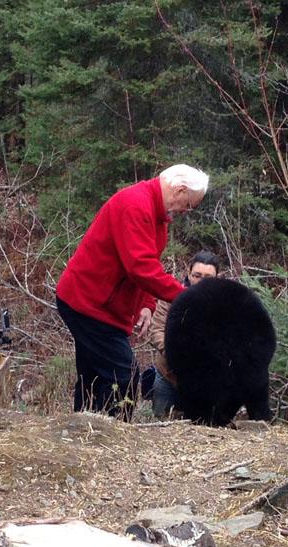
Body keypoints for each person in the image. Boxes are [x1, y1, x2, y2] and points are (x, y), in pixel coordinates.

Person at [56, 164, 209, 420]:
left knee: (93, 373)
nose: (186, 211)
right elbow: (140, 267)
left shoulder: (158, 215)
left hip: (101, 305)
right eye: (189, 204)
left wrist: (147, 303)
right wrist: (188, 296)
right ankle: (116, 436)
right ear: (180, 189)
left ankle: (82, 431)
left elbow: (147, 262)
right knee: (122, 373)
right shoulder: (135, 205)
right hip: (87, 303)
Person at [149, 251, 219, 417]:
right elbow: (157, 330)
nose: (201, 281)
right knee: (159, 426)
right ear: (189, 273)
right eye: (197, 275)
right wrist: (176, 354)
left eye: (208, 277)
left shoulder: (224, 303)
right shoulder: (171, 297)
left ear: (218, 277)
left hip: (205, 383)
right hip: (168, 377)